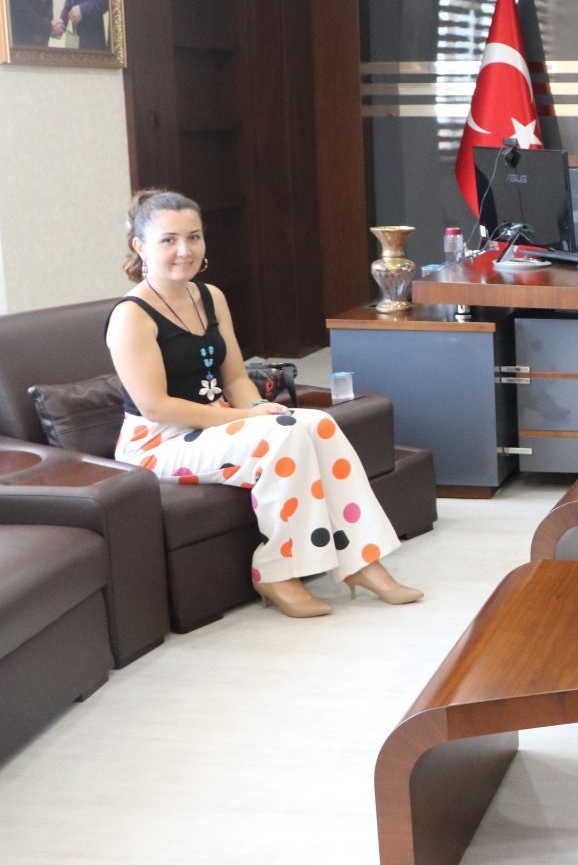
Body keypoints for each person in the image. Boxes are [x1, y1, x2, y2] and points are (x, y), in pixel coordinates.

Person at [105, 189, 422, 619]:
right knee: (283, 436)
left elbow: (235, 377)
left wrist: (260, 409)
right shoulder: (132, 315)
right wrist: (248, 418)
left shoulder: (210, 297)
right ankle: (277, 571)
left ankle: (363, 561)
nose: (185, 250)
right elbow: (155, 407)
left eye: (194, 237)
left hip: (217, 425)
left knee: (317, 424)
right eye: (169, 240)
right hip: (158, 443)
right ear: (140, 246)